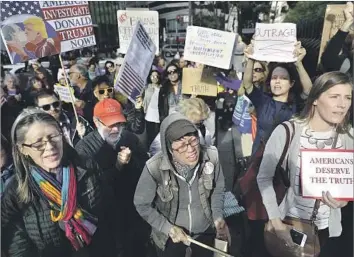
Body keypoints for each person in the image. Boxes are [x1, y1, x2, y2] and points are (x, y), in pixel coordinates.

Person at [258, 71, 353, 257]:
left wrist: (346, 198)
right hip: (291, 224)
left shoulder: (349, 136)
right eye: (334, 97)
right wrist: (276, 223)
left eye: (348, 97)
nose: (342, 105)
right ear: (315, 99)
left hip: (332, 232)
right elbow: (264, 177)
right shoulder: (288, 132)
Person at [1, 108, 114, 256]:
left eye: (54, 136)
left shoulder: (86, 166)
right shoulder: (16, 191)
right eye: (38, 143)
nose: (50, 147)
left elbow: (110, 210)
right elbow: (17, 244)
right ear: (23, 149)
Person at [134, 112, 229, 257]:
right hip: (170, 240)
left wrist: (218, 217)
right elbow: (141, 204)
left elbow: (218, 189)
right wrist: (168, 228)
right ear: (169, 149)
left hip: (205, 233)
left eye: (193, 141)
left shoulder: (212, 157)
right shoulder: (154, 167)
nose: (191, 150)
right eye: (182, 146)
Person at [75, 99, 150, 256]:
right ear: (96, 122)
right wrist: (118, 165)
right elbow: (92, 189)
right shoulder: (85, 149)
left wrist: (132, 161)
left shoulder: (129, 138)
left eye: (119, 124)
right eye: (110, 125)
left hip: (131, 212)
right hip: (106, 218)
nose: (116, 129)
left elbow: (144, 171)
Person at [150, 97, 214, 156]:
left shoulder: (203, 130)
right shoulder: (172, 128)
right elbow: (156, 150)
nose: (197, 126)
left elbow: (207, 150)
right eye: (194, 123)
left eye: (201, 122)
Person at [142, 70, 162, 145]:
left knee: (157, 135)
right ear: (150, 77)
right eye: (153, 76)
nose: (155, 78)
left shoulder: (162, 87)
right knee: (149, 135)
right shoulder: (146, 87)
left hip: (158, 115)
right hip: (149, 115)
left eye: (156, 76)